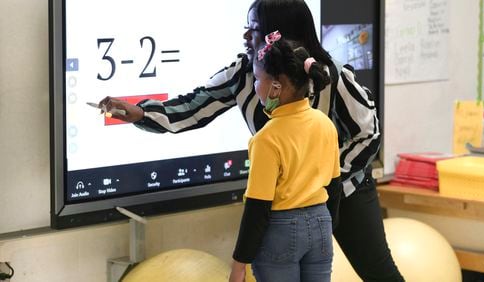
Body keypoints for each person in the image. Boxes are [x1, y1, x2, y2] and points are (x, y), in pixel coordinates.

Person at [100, 0, 404, 281]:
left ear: (278, 34)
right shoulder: (244, 72)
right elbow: (192, 107)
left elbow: (368, 132)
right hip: (284, 208)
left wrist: (322, 178)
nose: (246, 35)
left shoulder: (329, 74)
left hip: (344, 191)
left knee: (379, 273)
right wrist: (140, 113)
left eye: (254, 28)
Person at [229, 31, 339, 282]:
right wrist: (325, 230)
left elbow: (258, 207)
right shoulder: (324, 124)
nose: (255, 86)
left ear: (276, 87)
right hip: (322, 222)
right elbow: (335, 188)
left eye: (257, 79)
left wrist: (238, 265)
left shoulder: (267, 139)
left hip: (282, 229)